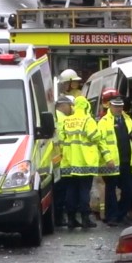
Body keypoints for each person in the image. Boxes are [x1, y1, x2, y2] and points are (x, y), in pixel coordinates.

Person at [60, 95, 114, 229]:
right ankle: (85, 219)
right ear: (86, 106)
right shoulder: (88, 120)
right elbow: (95, 136)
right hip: (85, 162)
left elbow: (61, 138)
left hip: (69, 162)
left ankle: (71, 219)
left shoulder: (67, 120)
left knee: (71, 190)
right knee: (84, 190)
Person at [97, 96, 132, 227]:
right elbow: (101, 142)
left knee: (127, 189)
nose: (119, 109)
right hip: (111, 162)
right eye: (116, 107)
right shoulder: (104, 121)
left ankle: (122, 215)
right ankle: (112, 217)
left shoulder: (127, 119)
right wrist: (108, 159)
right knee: (111, 191)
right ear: (110, 106)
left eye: (121, 107)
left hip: (126, 161)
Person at [52, 96, 74, 227]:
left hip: (55, 159)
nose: (71, 108)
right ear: (63, 105)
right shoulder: (62, 119)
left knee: (58, 191)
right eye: (69, 105)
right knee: (61, 191)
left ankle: (58, 217)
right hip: (61, 159)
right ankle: (59, 218)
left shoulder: (55, 116)